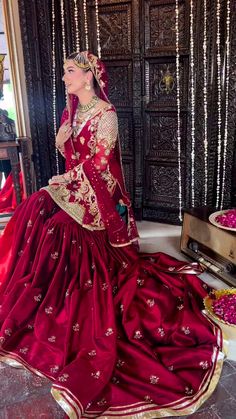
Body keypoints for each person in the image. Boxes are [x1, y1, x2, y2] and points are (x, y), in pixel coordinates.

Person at [0, 51, 223, 419]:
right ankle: (35, 290)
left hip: (97, 190)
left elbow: (99, 164)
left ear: (88, 76)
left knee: (57, 226)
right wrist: (62, 142)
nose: (64, 78)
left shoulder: (107, 114)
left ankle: (61, 289)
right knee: (33, 211)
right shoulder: (70, 113)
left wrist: (65, 178)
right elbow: (72, 156)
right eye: (65, 72)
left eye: (70, 71)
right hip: (74, 184)